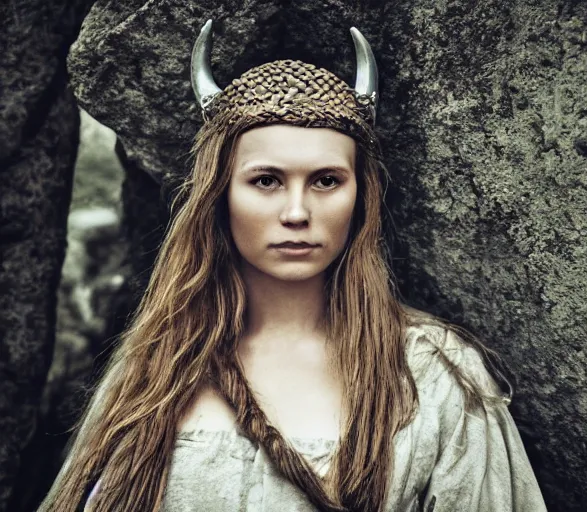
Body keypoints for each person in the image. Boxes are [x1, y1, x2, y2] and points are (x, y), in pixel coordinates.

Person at [39, 19, 547, 512]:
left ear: (360, 196)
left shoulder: (434, 374)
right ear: (220, 195)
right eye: (266, 181)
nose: (297, 212)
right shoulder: (156, 366)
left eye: (326, 180)